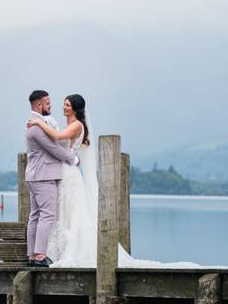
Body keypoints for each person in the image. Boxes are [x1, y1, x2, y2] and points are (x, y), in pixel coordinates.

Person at [28, 94, 200, 269]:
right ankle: (52, 251)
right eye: (63, 104)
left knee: (72, 211)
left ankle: (68, 251)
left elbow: (57, 138)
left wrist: (39, 123)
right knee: (60, 212)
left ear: (75, 108)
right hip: (60, 172)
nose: (63, 107)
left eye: (67, 105)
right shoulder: (66, 125)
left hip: (70, 173)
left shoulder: (77, 125)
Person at [24, 90, 80, 267]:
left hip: (35, 175)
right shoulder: (37, 127)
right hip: (43, 176)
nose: (51, 106)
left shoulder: (38, 124)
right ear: (39, 105)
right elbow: (52, 147)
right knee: (47, 215)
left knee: (35, 216)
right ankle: (40, 255)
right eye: (48, 103)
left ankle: (32, 255)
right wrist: (73, 159)